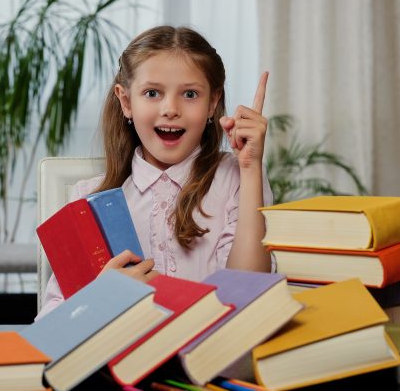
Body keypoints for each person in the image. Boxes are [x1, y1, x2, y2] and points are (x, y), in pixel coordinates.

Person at [37, 25, 273, 318]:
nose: (170, 108)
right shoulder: (88, 198)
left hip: (210, 359)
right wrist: (102, 299)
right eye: (152, 93)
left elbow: (249, 295)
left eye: (189, 94)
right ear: (126, 102)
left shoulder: (236, 178)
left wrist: (250, 169)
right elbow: (52, 324)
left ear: (213, 102)